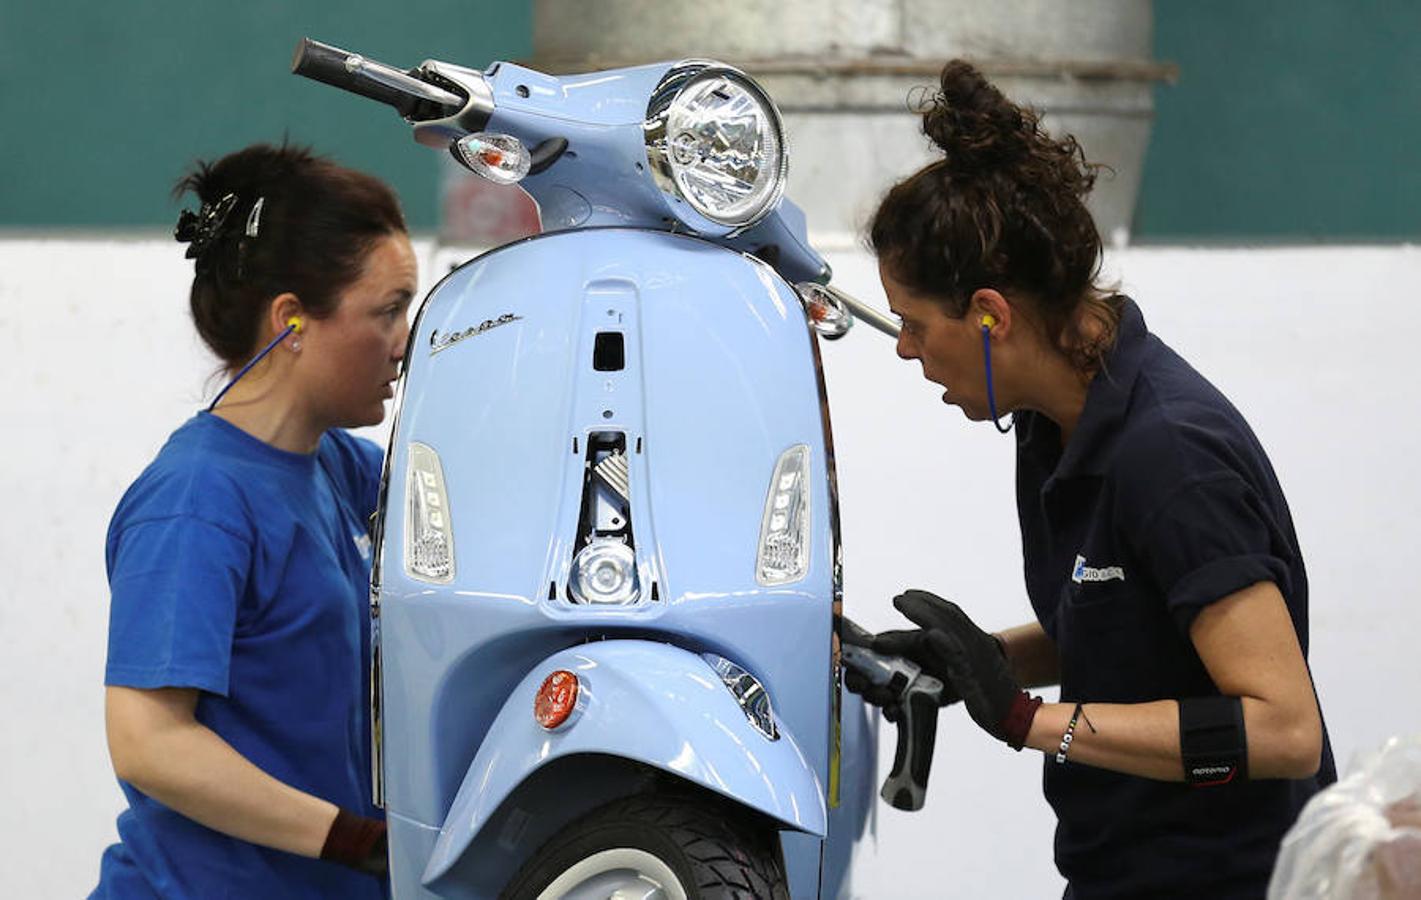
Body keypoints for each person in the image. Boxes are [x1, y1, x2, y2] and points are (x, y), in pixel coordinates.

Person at [847, 61, 1336, 898]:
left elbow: (1281, 727)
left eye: (913, 324)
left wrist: (1027, 720)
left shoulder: (1168, 456)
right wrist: (975, 662)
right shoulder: (1055, 424)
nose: (903, 349)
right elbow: (1135, 635)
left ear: (990, 313)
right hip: (1121, 870)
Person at [92, 143, 416, 898]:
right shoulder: (198, 502)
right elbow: (150, 744)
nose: (404, 343)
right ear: (291, 321)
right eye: (388, 310)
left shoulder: (341, 468)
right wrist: (357, 843)